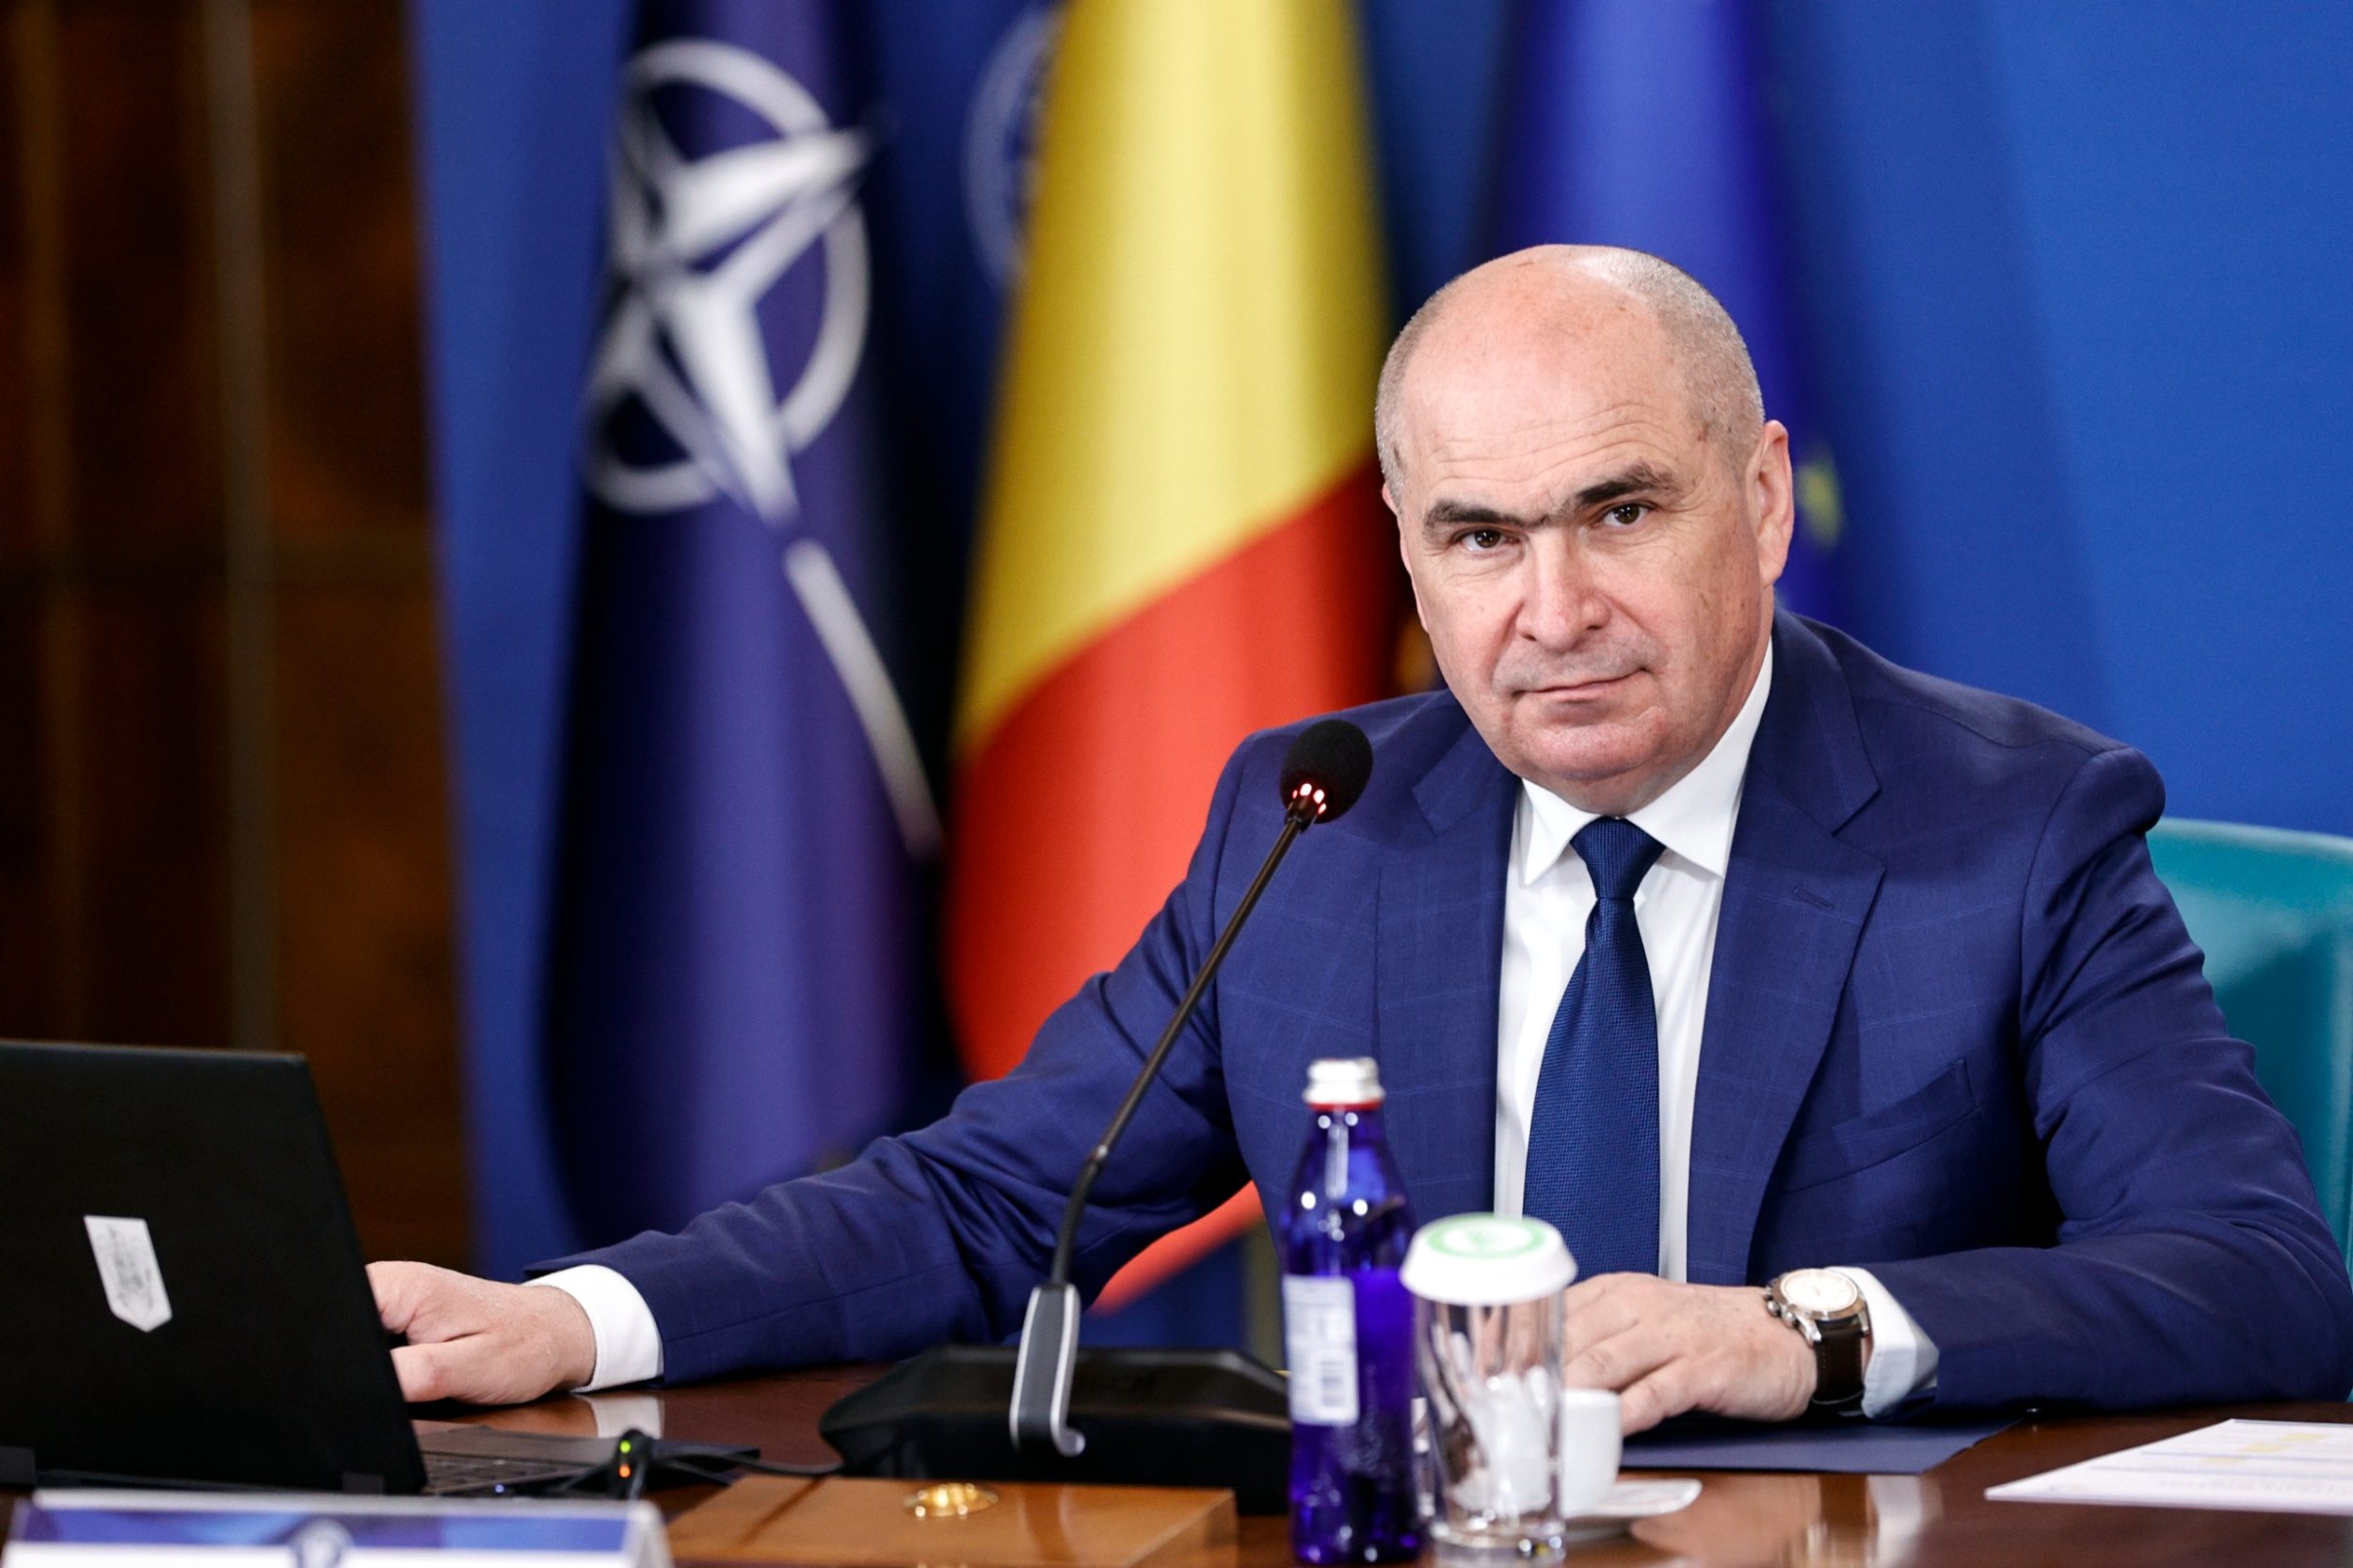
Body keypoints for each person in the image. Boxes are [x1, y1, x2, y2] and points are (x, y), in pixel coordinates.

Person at [372, 246, 2353, 1430]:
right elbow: (986, 1207)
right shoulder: (1318, 820)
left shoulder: (2012, 825)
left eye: (1619, 511)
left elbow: (2258, 1270)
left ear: (1759, 500)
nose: (1551, 610)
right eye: (1478, 538)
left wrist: (1801, 1332)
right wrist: (570, 1317)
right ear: (1409, 554)